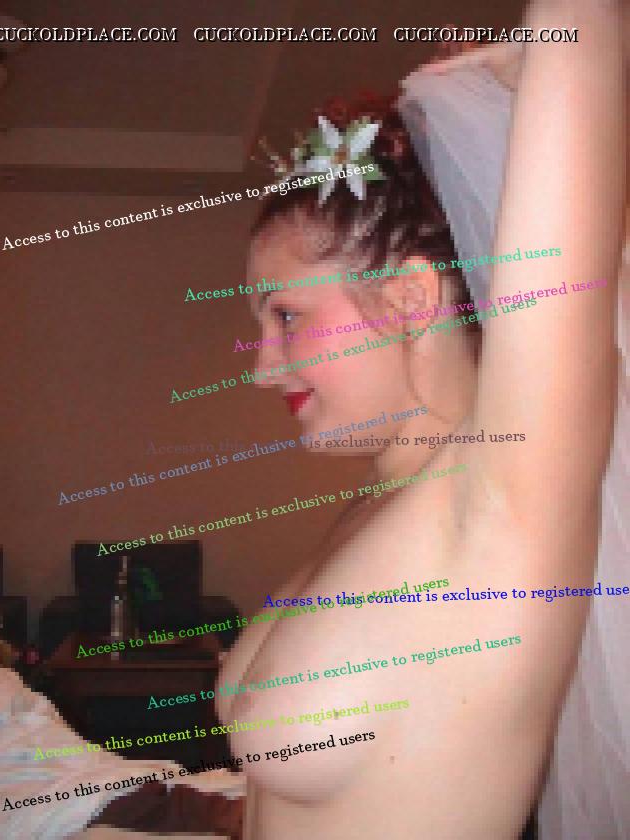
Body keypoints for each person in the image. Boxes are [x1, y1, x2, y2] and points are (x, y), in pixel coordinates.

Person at [217, 0, 627, 837]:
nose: (262, 367)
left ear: (407, 297)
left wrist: (546, 55)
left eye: (286, 316)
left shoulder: (501, 491)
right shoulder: (376, 502)